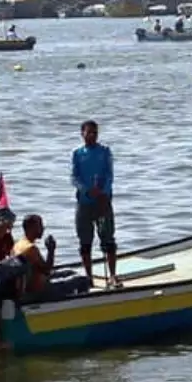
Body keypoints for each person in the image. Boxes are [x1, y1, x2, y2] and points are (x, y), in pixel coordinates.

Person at [72, 120, 121, 288]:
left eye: (95, 133)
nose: (92, 135)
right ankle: (89, 277)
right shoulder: (77, 153)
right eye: (89, 132)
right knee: (85, 242)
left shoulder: (105, 152)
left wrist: (102, 191)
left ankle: (113, 275)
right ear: (82, 133)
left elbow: (109, 174)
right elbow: (74, 177)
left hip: (102, 201)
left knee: (108, 239)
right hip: (84, 202)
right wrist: (86, 190)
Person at [12, 214, 91, 301]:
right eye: (40, 226)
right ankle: (78, 304)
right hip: (41, 290)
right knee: (83, 279)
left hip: (36, 281)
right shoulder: (31, 248)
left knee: (69, 272)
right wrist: (51, 250)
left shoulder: (18, 244)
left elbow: (41, 270)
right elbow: (47, 270)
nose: (43, 228)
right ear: (31, 228)